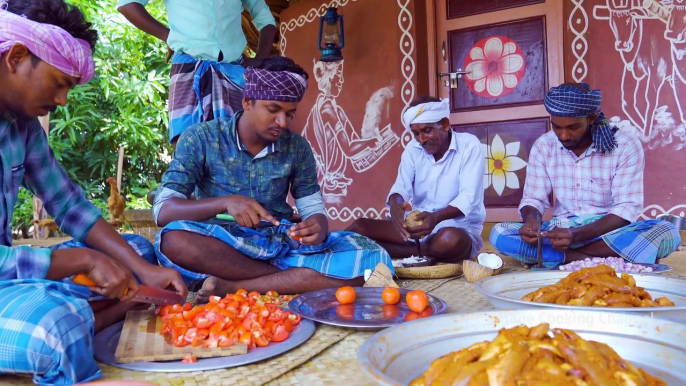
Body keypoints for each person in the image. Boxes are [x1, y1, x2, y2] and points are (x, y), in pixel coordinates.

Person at [0, 1, 186, 383]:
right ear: (16, 56)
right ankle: (86, 316)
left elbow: (68, 205)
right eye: (59, 83)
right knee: (56, 328)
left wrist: (144, 270)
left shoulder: (22, 125)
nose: (63, 101)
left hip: (8, 276)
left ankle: (110, 305)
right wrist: (83, 261)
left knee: (136, 251)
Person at [153, 56, 393, 303]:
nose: (282, 122)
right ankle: (296, 279)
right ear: (247, 102)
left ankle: (234, 286)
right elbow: (163, 210)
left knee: (375, 258)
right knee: (173, 241)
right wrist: (226, 203)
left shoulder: (297, 148)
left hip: (281, 244)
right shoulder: (201, 138)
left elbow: (313, 211)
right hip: (222, 245)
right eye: (273, 110)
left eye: (290, 114)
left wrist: (317, 227)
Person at [489, 83, 680, 268]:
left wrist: (577, 235)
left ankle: (560, 258)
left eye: (573, 127)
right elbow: (533, 199)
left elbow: (626, 208)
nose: (563, 135)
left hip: (608, 231)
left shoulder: (625, 145)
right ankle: (604, 260)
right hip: (561, 230)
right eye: (556, 127)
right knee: (499, 233)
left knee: (667, 232)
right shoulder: (544, 145)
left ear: (591, 118)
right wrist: (532, 222)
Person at [117, 0, 277, 144]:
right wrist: (168, 36)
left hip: (234, 73)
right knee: (188, 144)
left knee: (237, 146)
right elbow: (127, 5)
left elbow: (266, 19)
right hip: (189, 68)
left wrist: (260, 58)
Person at [347, 97, 486, 262]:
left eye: (427, 130)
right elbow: (401, 188)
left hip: (457, 228)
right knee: (359, 227)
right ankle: (419, 252)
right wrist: (395, 205)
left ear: (445, 124)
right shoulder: (413, 150)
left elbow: (468, 198)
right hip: (419, 228)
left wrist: (436, 218)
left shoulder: (469, 145)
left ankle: (399, 251)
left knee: (449, 240)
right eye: (416, 134)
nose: (421, 140)